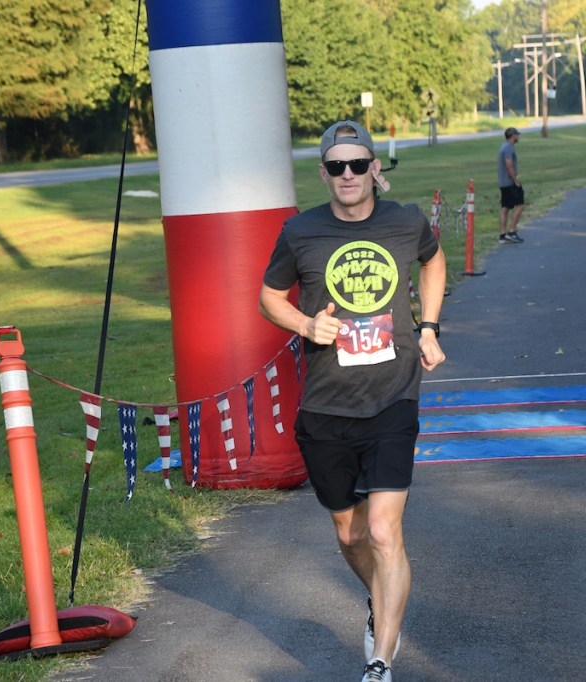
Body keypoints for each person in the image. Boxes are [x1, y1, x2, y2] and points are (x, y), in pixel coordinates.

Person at [259, 120, 447, 682]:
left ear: (374, 169)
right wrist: (304, 324)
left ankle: (379, 662)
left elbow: (433, 259)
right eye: (337, 166)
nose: (348, 174)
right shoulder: (300, 232)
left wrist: (429, 326)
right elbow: (269, 296)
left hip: (393, 396)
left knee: (385, 532)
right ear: (323, 173)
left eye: (357, 164)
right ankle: (382, 600)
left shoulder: (405, 221)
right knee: (351, 533)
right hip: (326, 405)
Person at [497, 127, 525, 243]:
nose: (518, 137)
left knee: (505, 207)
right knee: (520, 205)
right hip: (509, 183)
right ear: (513, 136)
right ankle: (512, 232)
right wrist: (515, 181)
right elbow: (509, 166)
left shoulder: (504, 146)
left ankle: (503, 234)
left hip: (503, 182)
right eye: (517, 135)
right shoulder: (508, 148)